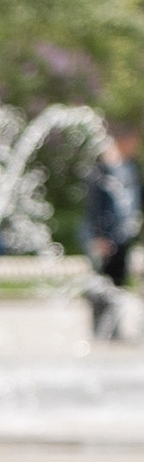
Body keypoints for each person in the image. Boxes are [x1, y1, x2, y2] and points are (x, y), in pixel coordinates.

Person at [82, 123, 141, 340]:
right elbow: (94, 206)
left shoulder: (131, 166)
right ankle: (100, 329)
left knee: (119, 281)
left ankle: (113, 329)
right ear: (122, 141)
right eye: (133, 143)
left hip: (123, 234)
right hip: (104, 235)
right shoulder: (102, 168)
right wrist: (98, 236)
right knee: (101, 281)